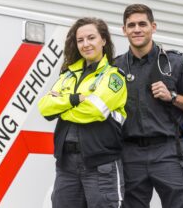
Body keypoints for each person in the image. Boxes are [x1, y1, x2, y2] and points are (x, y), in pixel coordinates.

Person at [114, 4, 183, 208]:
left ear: (153, 27)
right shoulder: (115, 68)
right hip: (130, 154)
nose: (136, 29)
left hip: (168, 152)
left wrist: (172, 96)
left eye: (142, 24)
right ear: (124, 30)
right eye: (131, 25)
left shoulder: (175, 63)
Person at [38, 17, 127, 208]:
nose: (85, 44)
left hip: (100, 165)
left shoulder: (114, 77)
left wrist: (60, 106)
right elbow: (44, 107)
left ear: (103, 40)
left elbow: (93, 110)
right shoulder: (67, 75)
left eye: (91, 38)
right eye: (80, 40)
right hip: (66, 164)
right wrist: (75, 99)